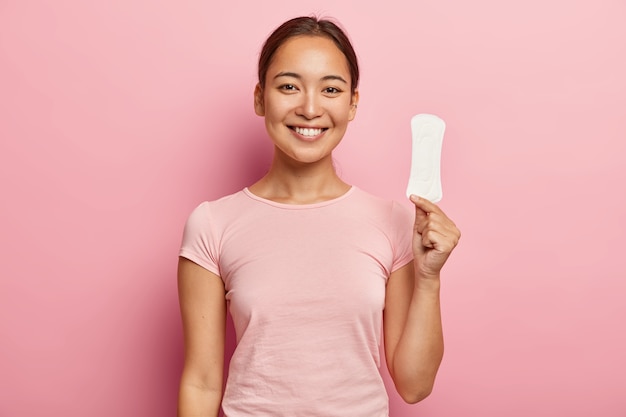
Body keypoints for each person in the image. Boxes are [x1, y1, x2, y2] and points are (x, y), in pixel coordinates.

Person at [177, 15, 460, 417]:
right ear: (260, 98)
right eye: (289, 86)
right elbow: (201, 383)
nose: (310, 109)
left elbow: (414, 386)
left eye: (330, 89)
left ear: (352, 104)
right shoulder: (212, 224)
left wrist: (429, 279)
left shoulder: (394, 223)